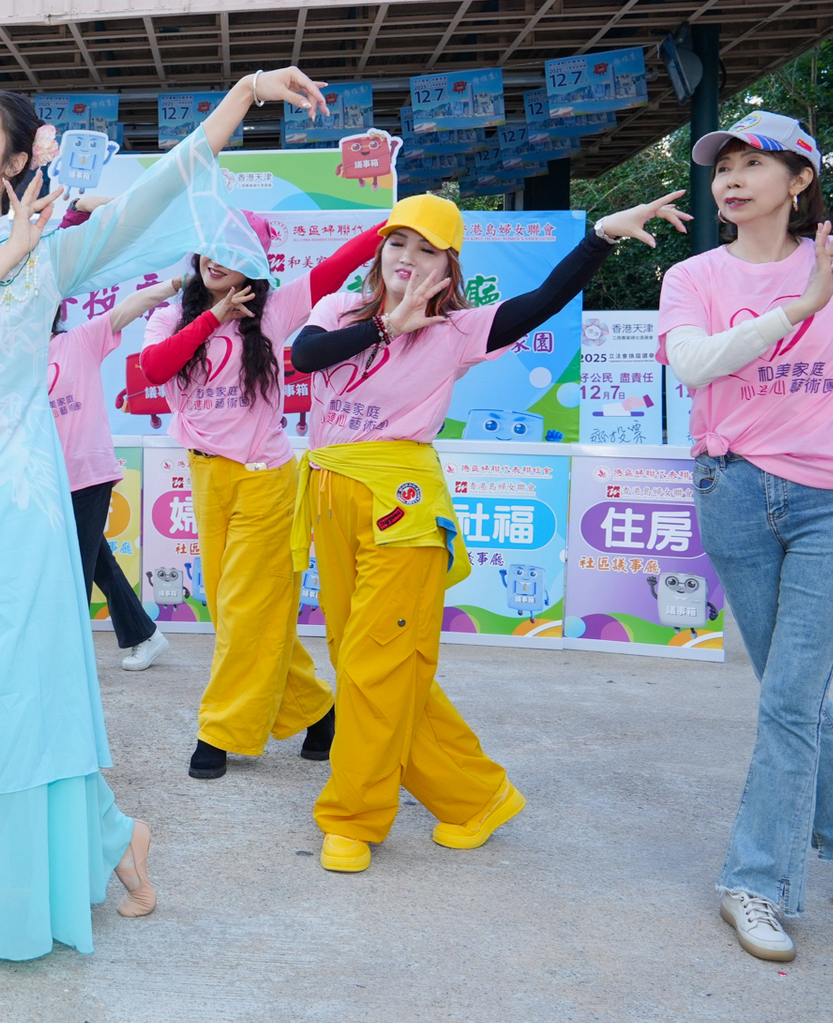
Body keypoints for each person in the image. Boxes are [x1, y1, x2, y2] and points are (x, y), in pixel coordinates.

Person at [0, 69, 330, 963]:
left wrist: (242, 93)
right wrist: (9, 250)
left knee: (17, 696)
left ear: (13, 159)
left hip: (23, 502)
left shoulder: (56, 250)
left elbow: (167, 184)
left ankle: (51, 870)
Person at [288, 189, 686, 874]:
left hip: (401, 506)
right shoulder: (338, 312)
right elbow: (307, 359)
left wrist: (602, 238)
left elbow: (544, 299)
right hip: (329, 493)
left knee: (378, 666)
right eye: (399, 243)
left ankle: (352, 817)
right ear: (381, 251)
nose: (408, 260)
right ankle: (475, 796)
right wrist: (385, 327)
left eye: (427, 250)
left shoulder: (457, 333)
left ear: (450, 267)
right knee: (367, 664)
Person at [656, 110, 833, 963]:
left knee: (788, 696)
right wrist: (796, 310)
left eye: (754, 163)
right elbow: (692, 363)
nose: (732, 178)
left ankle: (756, 882)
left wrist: (823, 291)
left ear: (801, 180)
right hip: (735, 490)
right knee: (796, 691)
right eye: (723, 166)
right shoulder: (694, 274)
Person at [141, 220, 380, 777]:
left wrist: (393, 227)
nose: (217, 261)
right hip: (206, 477)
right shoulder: (174, 314)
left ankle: (219, 732)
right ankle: (318, 712)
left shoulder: (274, 311)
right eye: (211, 249)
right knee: (238, 612)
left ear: (255, 264)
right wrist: (214, 317)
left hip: (266, 477)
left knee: (246, 607)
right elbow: (155, 370)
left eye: (233, 252)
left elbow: (332, 271)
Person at [47, 278, 182, 671]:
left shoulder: (80, 340)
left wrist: (175, 283)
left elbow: (128, 307)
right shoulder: (16, 360)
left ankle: (65, 660)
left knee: (76, 568)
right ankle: (146, 635)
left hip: (87, 473)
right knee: (95, 560)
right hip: (46, 477)